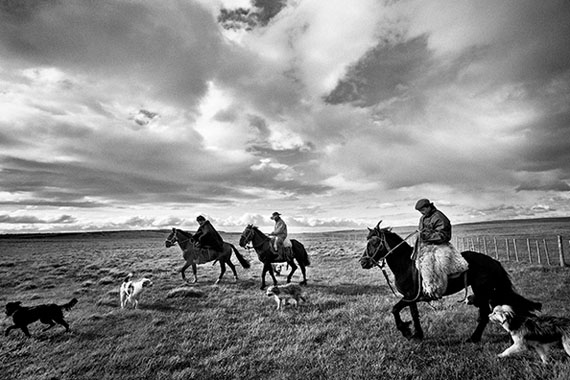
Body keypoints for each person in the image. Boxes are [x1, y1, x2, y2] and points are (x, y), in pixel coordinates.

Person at [414, 198, 469, 300]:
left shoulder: (440, 217)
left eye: (422, 210)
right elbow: (422, 231)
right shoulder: (423, 218)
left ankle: (435, 290)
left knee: (436, 263)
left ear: (428, 207)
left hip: (440, 244)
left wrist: (427, 236)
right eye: (420, 211)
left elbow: (444, 235)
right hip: (427, 245)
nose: (421, 212)